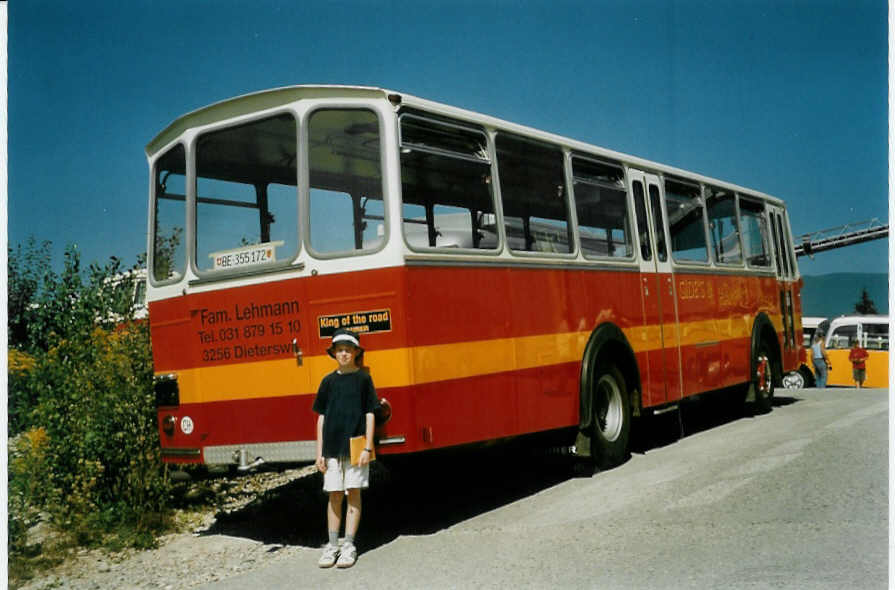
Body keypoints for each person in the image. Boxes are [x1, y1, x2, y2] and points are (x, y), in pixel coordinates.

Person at [313, 328, 379, 569]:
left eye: (348, 350)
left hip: (356, 445)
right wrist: (319, 452)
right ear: (334, 353)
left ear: (355, 353)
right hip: (331, 448)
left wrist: (368, 447)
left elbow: (370, 413)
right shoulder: (328, 382)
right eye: (339, 350)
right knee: (334, 495)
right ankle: (332, 545)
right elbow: (320, 417)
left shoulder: (363, 379)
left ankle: (349, 544)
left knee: (353, 492)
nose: (343, 354)